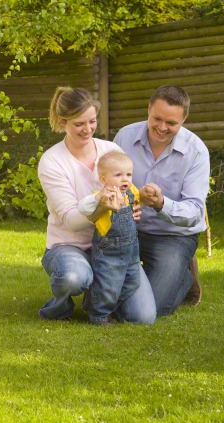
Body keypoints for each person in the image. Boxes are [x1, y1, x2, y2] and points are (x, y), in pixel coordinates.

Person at [37, 86, 156, 323]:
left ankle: (99, 293)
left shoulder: (110, 150)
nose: (88, 129)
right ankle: (59, 308)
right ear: (63, 121)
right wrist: (102, 207)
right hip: (70, 245)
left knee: (143, 317)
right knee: (73, 276)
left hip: (113, 247)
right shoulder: (53, 161)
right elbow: (71, 221)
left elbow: (127, 189)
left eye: (92, 121)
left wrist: (133, 205)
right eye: (79, 123)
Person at [114, 85, 210, 316]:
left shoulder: (196, 151)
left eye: (172, 123)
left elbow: (196, 212)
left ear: (184, 119)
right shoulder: (124, 137)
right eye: (157, 118)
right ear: (148, 109)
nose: (162, 127)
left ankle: (184, 276)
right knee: (100, 295)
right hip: (129, 228)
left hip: (173, 236)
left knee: (150, 308)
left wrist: (160, 203)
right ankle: (151, 277)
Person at [78, 151, 141, 326]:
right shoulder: (103, 195)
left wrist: (146, 197)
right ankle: (98, 315)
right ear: (104, 180)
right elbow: (83, 207)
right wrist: (98, 198)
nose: (125, 179)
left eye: (128, 174)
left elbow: (138, 200)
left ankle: (94, 302)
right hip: (109, 250)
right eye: (118, 175)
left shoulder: (131, 192)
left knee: (132, 282)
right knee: (108, 286)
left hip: (131, 250)